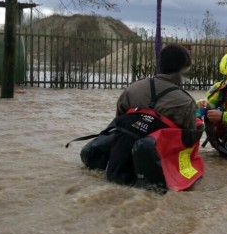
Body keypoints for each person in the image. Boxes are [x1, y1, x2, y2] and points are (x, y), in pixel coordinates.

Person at [67, 44, 204, 193]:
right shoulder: (185, 101)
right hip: (151, 171)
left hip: (118, 165)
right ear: (183, 69)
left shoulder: (133, 88)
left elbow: (118, 120)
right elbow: (187, 140)